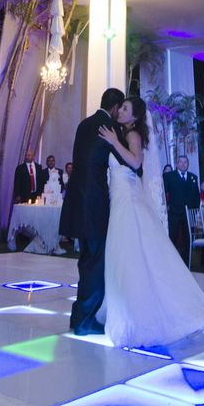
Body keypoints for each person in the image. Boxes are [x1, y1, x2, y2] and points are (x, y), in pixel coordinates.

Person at [97, 96, 204, 348]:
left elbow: (135, 162)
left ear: (135, 116)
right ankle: (130, 307)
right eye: (120, 107)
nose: (120, 111)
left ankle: (141, 316)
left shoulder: (133, 135)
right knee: (129, 255)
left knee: (130, 253)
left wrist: (112, 142)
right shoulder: (124, 132)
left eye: (125, 108)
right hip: (120, 198)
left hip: (129, 201)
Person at [59, 88, 125, 336]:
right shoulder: (111, 129)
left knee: (86, 261)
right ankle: (86, 321)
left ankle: (77, 317)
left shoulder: (84, 124)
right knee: (96, 264)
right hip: (94, 204)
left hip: (76, 202)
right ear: (116, 107)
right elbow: (125, 161)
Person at [163, 154, 201, 263]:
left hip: (188, 214)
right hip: (174, 212)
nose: (183, 164)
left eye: (185, 162)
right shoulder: (169, 176)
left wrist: (194, 210)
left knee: (188, 239)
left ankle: (186, 262)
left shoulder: (193, 177)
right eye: (181, 162)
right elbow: (164, 194)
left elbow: (196, 196)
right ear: (177, 164)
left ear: (188, 164)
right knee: (172, 237)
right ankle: (170, 261)